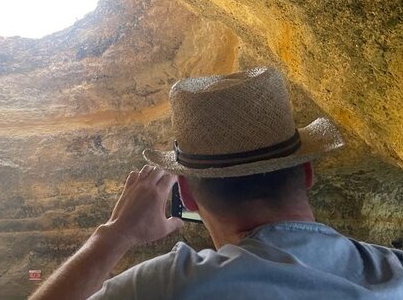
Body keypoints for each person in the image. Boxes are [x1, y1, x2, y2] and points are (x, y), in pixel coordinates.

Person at [30, 67, 403, 300]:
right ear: (307, 173)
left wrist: (113, 236)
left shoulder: (172, 286)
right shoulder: (395, 270)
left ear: (188, 195)